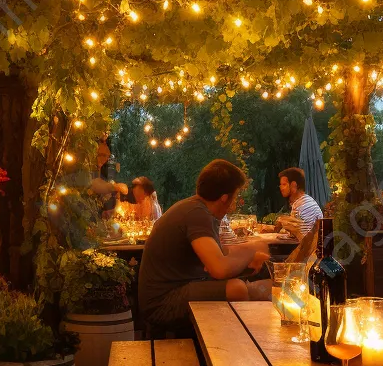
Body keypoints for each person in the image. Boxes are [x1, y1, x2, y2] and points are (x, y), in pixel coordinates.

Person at [138, 159, 272, 331]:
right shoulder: (197, 213)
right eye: (235, 196)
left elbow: (218, 255)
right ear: (225, 198)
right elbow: (219, 268)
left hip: (172, 291)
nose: (233, 205)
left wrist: (246, 259)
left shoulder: (197, 209)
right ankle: (238, 347)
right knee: (237, 289)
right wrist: (253, 249)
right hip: (162, 303)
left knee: (249, 286)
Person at [259, 167, 323, 240]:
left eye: (284, 184)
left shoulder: (305, 206)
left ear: (293, 185)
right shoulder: (300, 203)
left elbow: (305, 241)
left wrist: (287, 225)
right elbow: (296, 234)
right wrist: (278, 227)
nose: (281, 188)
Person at [90, 138, 127, 217]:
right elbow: (94, 185)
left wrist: (114, 208)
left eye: (106, 156)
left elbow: (116, 196)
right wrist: (114, 187)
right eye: (101, 155)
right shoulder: (90, 166)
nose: (104, 159)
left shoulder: (105, 170)